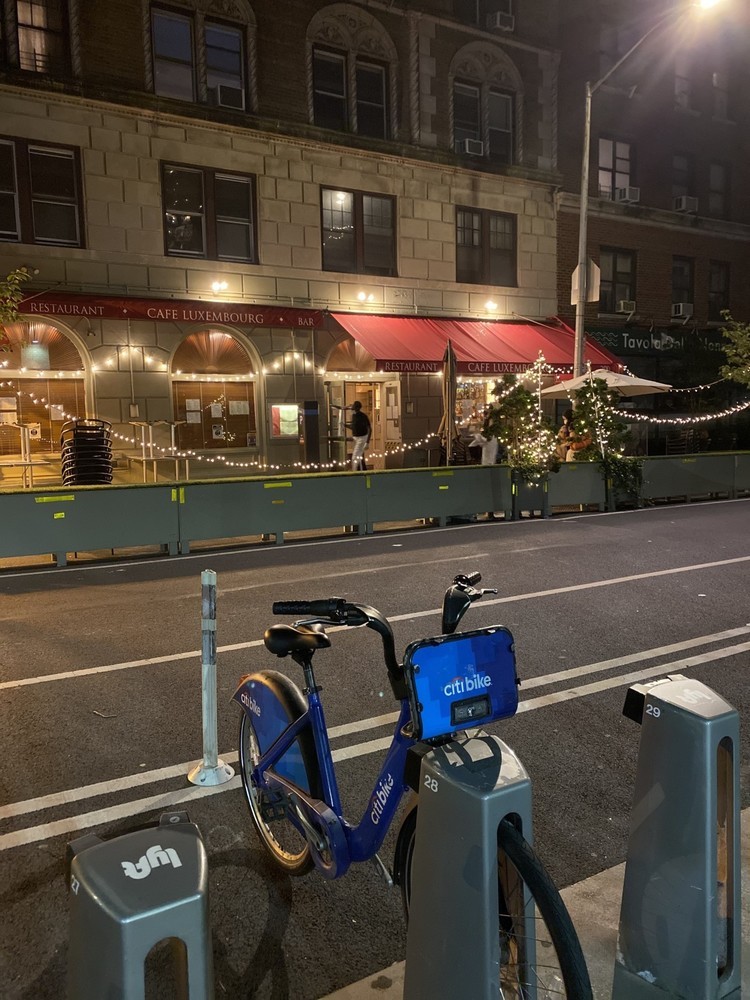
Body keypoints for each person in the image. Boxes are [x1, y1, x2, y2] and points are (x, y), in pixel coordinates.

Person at [348, 400, 371, 471]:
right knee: (360, 456)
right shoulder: (354, 415)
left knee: (355, 457)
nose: (352, 408)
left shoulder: (363, 416)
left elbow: (369, 428)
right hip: (355, 438)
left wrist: (367, 442)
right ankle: (362, 470)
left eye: (354, 406)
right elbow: (353, 427)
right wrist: (344, 425)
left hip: (362, 438)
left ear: (357, 408)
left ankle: (355, 471)